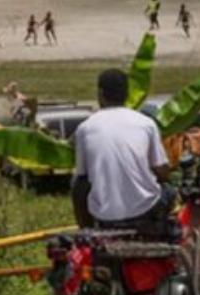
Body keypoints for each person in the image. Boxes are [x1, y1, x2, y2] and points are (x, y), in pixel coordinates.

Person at [71, 69, 171, 232]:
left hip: (103, 216)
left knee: (77, 184)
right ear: (126, 94)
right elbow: (162, 170)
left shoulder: (85, 128)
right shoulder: (146, 123)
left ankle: (87, 231)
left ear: (100, 94)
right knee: (169, 190)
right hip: (146, 211)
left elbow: (82, 179)